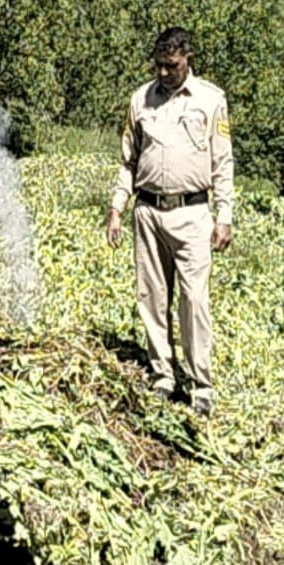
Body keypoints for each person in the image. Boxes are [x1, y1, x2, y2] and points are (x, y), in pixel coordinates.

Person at [106, 27, 233, 417]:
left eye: (171, 66)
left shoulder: (211, 100)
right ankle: (163, 374)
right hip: (147, 211)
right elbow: (128, 160)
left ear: (187, 59)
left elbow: (222, 162)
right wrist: (117, 207)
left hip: (192, 214)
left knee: (194, 300)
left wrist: (224, 216)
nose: (163, 73)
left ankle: (201, 385)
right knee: (152, 296)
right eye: (158, 65)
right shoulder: (140, 100)